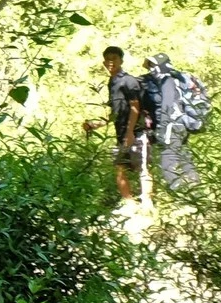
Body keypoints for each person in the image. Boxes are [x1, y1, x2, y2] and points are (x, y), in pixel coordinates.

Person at [86, 46, 156, 204]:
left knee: (143, 167)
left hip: (137, 133)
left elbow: (135, 106)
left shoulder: (128, 80)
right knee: (119, 167)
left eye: (114, 58)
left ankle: (147, 204)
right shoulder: (112, 82)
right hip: (122, 134)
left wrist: (130, 132)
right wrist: (96, 124)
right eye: (108, 59)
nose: (111, 62)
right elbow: (115, 112)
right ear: (104, 62)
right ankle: (129, 203)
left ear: (121, 60)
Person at [145, 54, 204, 191]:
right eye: (150, 66)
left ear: (162, 66)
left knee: (168, 158)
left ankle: (177, 191)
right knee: (183, 155)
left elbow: (168, 105)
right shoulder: (174, 79)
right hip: (180, 124)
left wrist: (163, 128)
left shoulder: (167, 81)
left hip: (172, 125)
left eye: (154, 65)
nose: (152, 69)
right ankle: (197, 188)